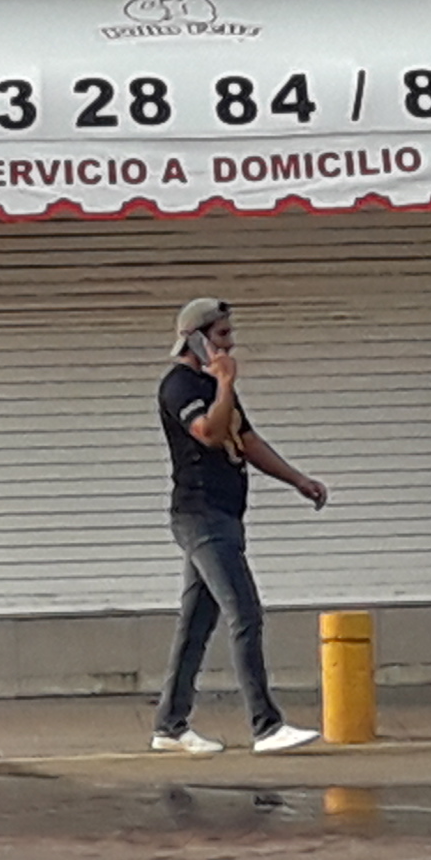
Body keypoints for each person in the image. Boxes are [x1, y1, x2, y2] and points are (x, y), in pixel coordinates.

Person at [154, 296, 327, 753]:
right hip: (201, 515)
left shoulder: (215, 387)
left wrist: (297, 479)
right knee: (245, 613)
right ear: (197, 339)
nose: (231, 345)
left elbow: (245, 440)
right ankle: (266, 726)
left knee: (197, 623)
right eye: (222, 336)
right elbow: (210, 434)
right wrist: (225, 383)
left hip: (225, 515)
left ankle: (170, 726)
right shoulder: (180, 387)